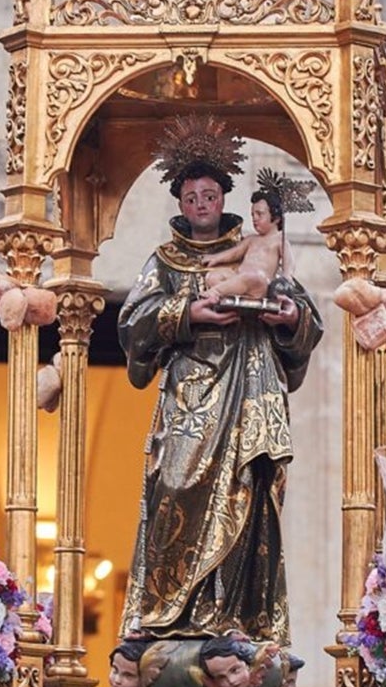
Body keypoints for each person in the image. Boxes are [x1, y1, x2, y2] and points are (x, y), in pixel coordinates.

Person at [118, 115, 323, 647]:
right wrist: (189, 313)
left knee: (251, 496)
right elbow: (132, 325)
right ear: (180, 203)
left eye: (210, 194)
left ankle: (239, 622)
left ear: (225, 196)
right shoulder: (163, 263)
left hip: (250, 395)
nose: (202, 204)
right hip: (190, 401)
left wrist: (287, 317)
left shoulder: (260, 247)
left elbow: (308, 315)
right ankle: (170, 619)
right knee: (175, 489)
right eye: (191, 197)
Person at [200, 169, 313, 305]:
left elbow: (289, 263)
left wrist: (287, 277)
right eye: (252, 215)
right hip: (240, 279)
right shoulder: (251, 240)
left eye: (260, 214)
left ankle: (215, 293)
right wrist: (215, 258)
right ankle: (226, 298)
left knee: (252, 276)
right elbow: (233, 253)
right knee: (213, 276)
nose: (254, 219)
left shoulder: (279, 240)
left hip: (260, 283)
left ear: (276, 217)